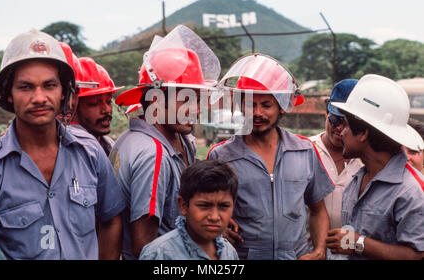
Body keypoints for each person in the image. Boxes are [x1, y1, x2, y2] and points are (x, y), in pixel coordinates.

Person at [0, 29, 125, 259]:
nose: (39, 98)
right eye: (26, 87)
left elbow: (112, 219)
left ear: (65, 92)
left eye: (49, 85)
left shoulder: (90, 152)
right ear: (9, 94)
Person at [207, 53, 335, 260]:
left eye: (266, 105)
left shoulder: (305, 150)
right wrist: (217, 230)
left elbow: (318, 209)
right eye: (250, 104)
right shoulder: (221, 156)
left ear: (281, 108)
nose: (258, 113)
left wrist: (319, 251)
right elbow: (205, 209)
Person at [109, 25, 221, 259]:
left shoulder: (176, 140)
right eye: (185, 99)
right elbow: (145, 246)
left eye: (197, 98)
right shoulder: (153, 154)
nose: (196, 109)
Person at [325, 74, 424, 260]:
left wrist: (358, 243)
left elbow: (417, 254)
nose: (341, 132)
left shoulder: (410, 191)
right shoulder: (357, 180)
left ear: (362, 133)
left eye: (345, 125)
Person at [307, 79, 363, 259]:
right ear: (326, 114)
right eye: (335, 120)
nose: (340, 129)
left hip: (351, 253)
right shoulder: (304, 150)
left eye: (348, 124)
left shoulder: (366, 161)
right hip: (306, 252)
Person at [139, 160, 239, 260]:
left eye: (224, 206)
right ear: (183, 206)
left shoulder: (228, 252)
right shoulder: (158, 254)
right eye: (204, 206)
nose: (214, 217)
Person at [70, 57, 124, 156]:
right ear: (73, 105)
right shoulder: (68, 153)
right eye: (94, 103)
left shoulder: (110, 146)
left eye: (108, 102)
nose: (107, 110)